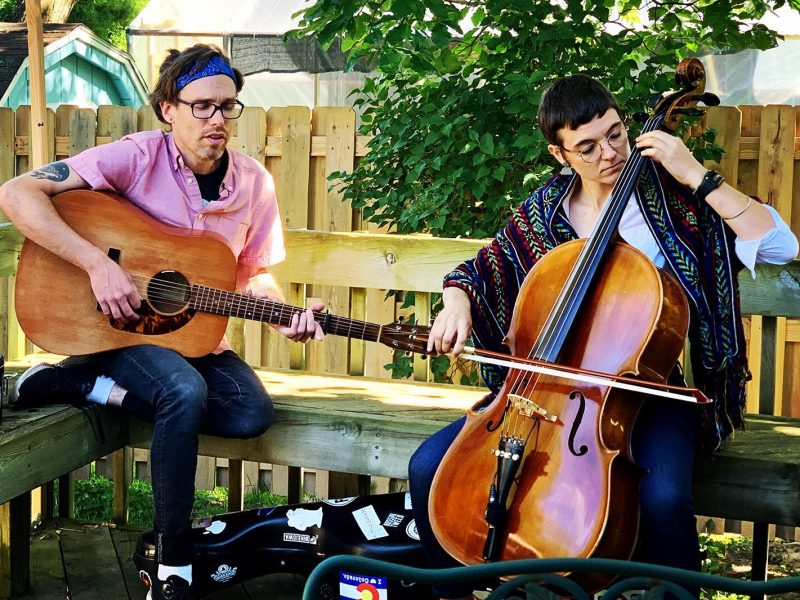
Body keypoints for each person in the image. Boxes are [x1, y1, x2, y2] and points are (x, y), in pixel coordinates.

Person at [410, 74, 799, 600]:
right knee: (427, 467)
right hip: (547, 392)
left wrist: (695, 174)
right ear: (559, 154)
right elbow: (478, 269)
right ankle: (452, 595)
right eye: (587, 147)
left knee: (664, 499)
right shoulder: (545, 212)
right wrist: (454, 301)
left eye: (616, 134)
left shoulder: (674, 199)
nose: (609, 154)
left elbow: (777, 245)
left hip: (646, 389)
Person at [0, 44, 323, 600]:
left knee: (251, 412)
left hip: (192, 339)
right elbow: (17, 192)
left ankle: (75, 384)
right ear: (168, 109)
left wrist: (284, 317)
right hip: (112, 329)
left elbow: (252, 276)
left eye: (227, 106)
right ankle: (173, 558)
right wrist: (98, 265)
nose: (217, 119)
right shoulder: (134, 157)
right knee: (181, 390)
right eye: (201, 106)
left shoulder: (253, 185)